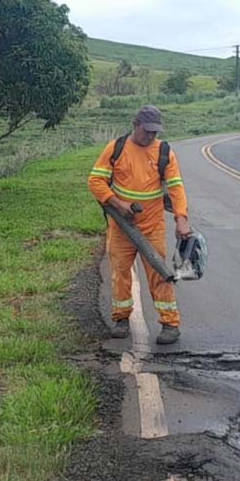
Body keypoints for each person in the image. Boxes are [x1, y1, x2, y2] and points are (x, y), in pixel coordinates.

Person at [88, 105, 190, 345]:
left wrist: (181, 219)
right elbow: (95, 181)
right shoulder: (116, 148)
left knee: (158, 273)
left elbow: (175, 188)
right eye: (147, 131)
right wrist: (118, 203)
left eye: (155, 132)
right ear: (135, 125)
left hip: (152, 225)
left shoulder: (165, 152)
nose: (151, 136)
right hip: (122, 226)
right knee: (121, 272)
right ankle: (121, 319)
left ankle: (170, 324)